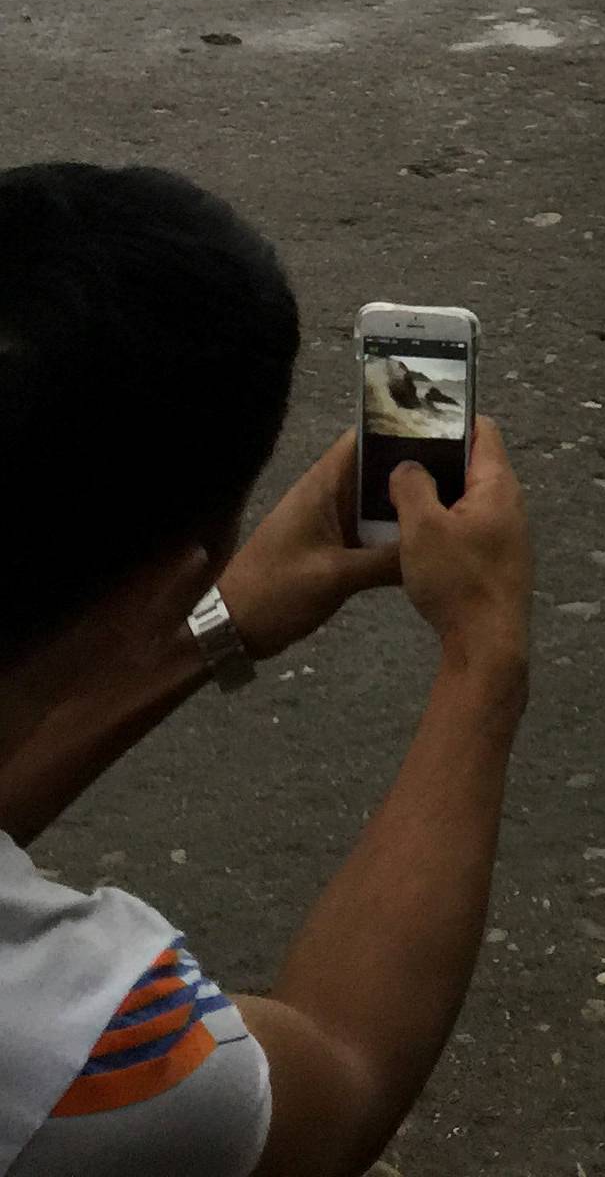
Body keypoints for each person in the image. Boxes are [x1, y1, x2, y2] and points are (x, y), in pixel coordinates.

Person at [0, 161, 533, 1177]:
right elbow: (338, 1076)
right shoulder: (62, 1052)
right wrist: (484, 654)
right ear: (158, 587)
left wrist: (217, 623)